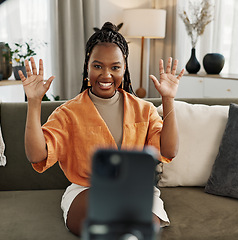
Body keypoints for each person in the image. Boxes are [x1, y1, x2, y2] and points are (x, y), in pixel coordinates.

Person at [20, 22, 184, 236]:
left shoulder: (144, 109)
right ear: (87, 67)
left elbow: (169, 151)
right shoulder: (67, 113)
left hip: (135, 190)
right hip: (86, 190)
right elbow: (36, 155)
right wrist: (34, 102)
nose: (106, 75)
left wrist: (168, 99)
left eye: (115, 67)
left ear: (124, 69)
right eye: (98, 66)